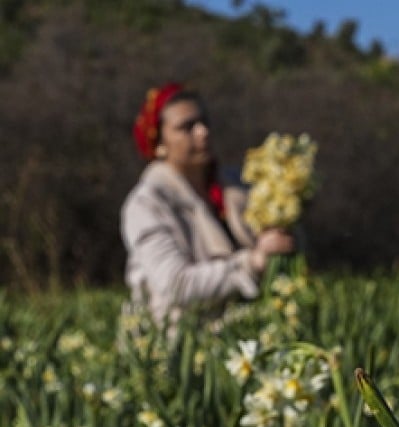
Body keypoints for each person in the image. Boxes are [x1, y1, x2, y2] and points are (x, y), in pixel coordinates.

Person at [121, 82, 294, 326]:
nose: (203, 132)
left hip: (253, 328)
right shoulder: (147, 204)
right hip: (180, 343)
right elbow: (176, 285)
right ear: (160, 144)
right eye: (186, 127)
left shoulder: (240, 185)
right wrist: (252, 263)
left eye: (204, 122)